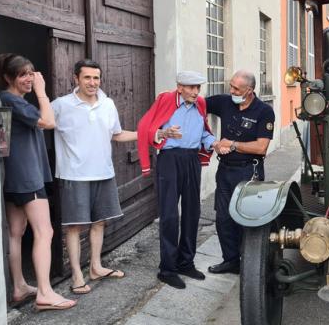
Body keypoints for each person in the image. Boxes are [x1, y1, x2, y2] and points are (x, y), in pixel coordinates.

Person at [0, 54, 76, 311]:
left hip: (15, 177)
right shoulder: (14, 101)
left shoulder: (13, 101)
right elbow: (49, 122)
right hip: (27, 177)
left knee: (16, 232)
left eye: (31, 73)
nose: (29, 78)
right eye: (22, 74)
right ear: (9, 78)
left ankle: (19, 286)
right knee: (45, 232)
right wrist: (42, 91)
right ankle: (44, 293)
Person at [51, 59, 137, 295]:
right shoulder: (60, 105)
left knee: (99, 221)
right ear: (75, 78)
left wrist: (150, 134)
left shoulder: (108, 104)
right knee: (74, 226)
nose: (92, 82)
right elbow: (41, 123)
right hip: (74, 174)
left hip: (103, 172)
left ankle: (96, 267)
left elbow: (117, 135)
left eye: (96, 77)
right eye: (87, 77)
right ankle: (77, 274)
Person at [137, 71, 216, 289]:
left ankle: (186, 262)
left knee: (193, 212)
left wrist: (215, 143)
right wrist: (164, 133)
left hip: (191, 159)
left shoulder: (200, 104)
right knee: (170, 214)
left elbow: (203, 135)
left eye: (198, 87)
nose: (195, 92)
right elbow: (147, 129)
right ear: (179, 87)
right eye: (191, 87)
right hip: (169, 159)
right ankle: (167, 269)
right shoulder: (165, 100)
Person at [206, 70, 276, 275]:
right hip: (225, 171)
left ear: (249, 91)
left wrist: (233, 144)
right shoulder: (224, 102)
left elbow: (261, 147)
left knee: (246, 218)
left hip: (248, 171)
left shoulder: (264, 111)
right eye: (231, 86)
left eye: (236, 88)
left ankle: (250, 262)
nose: (231, 91)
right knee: (223, 219)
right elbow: (197, 105)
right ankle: (230, 261)